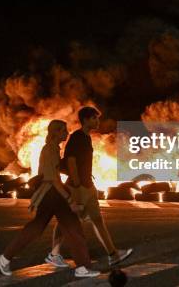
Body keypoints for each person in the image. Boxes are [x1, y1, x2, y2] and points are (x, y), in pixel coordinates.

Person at [0, 119, 100, 278]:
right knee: (73, 229)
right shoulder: (50, 150)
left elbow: (55, 173)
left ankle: (4, 258)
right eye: (63, 131)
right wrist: (70, 199)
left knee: (37, 228)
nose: (67, 133)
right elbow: (54, 179)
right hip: (53, 194)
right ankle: (82, 267)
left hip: (48, 194)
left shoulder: (52, 149)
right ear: (55, 132)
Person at [45, 107, 133, 268]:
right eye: (94, 118)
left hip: (88, 186)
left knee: (97, 220)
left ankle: (113, 255)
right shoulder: (77, 137)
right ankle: (54, 254)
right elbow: (70, 161)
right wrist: (77, 185)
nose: (97, 121)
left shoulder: (86, 138)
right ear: (85, 120)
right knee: (66, 221)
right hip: (77, 187)